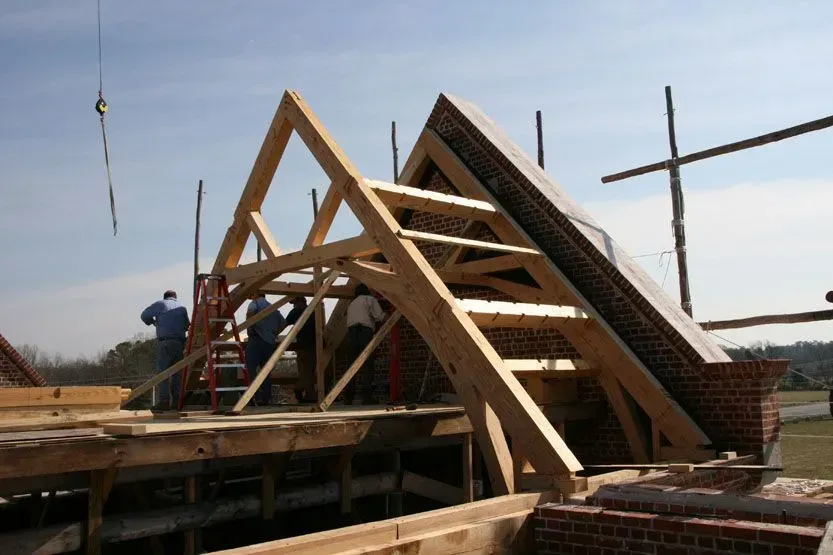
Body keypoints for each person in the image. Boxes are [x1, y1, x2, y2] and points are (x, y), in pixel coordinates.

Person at [141, 290, 190, 409]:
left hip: (165, 342)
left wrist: (153, 322)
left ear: (165, 297)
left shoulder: (160, 304)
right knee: (177, 372)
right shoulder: (182, 307)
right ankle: (176, 402)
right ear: (175, 297)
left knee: (162, 372)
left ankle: (164, 401)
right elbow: (187, 325)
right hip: (179, 343)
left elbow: (144, 315)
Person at [344, 283, 386, 405]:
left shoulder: (351, 304)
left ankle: (348, 397)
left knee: (352, 366)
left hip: (351, 334)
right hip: (364, 333)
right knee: (367, 365)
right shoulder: (369, 299)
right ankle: (367, 397)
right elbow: (380, 316)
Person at [246, 293, 287, 405]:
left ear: (257, 294)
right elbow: (283, 323)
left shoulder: (255, 303)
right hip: (269, 342)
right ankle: (266, 397)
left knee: (250, 368)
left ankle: (255, 395)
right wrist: (274, 333)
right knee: (266, 370)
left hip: (256, 338)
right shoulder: (273, 307)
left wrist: (250, 327)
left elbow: (250, 313)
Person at [285, 296, 317, 403]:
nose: (294, 305)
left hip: (303, 346)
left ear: (299, 302)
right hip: (313, 345)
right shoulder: (313, 311)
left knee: (305, 371)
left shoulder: (296, 311)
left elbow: (284, 324)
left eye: (294, 303)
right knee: (309, 370)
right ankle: (309, 395)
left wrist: (273, 334)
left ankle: (300, 390)